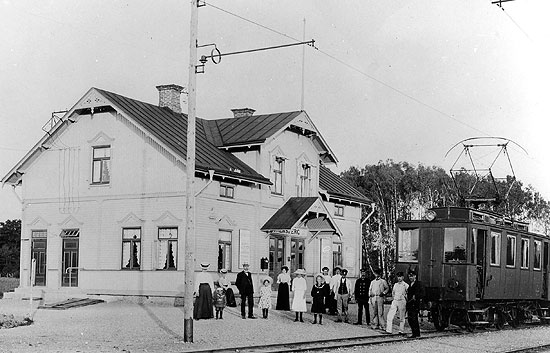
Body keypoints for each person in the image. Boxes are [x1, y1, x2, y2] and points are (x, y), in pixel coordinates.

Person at [406, 270, 425, 338]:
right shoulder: (409, 284)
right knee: (410, 319)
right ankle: (414, 333)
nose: (410, 278)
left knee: (414, 318)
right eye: (409, 276)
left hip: (415, 304)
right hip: (410, 304)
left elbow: (423, 293)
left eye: (412, 276)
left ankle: (416, 334)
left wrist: (416, 296)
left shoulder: (419, 284)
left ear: (415, 276)